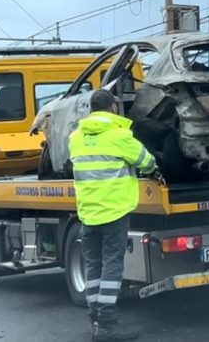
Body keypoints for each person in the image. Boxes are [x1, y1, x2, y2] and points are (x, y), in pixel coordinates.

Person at [68, 89, 157, 341]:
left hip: (88, 213)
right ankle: (107, 325)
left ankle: (96, 318)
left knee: (94, 266)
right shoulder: (118, 136)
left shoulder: (76, 138)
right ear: (113, 108)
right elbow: (145, 160)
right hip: (114, 212)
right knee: (112, 267)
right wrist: (152, 169)